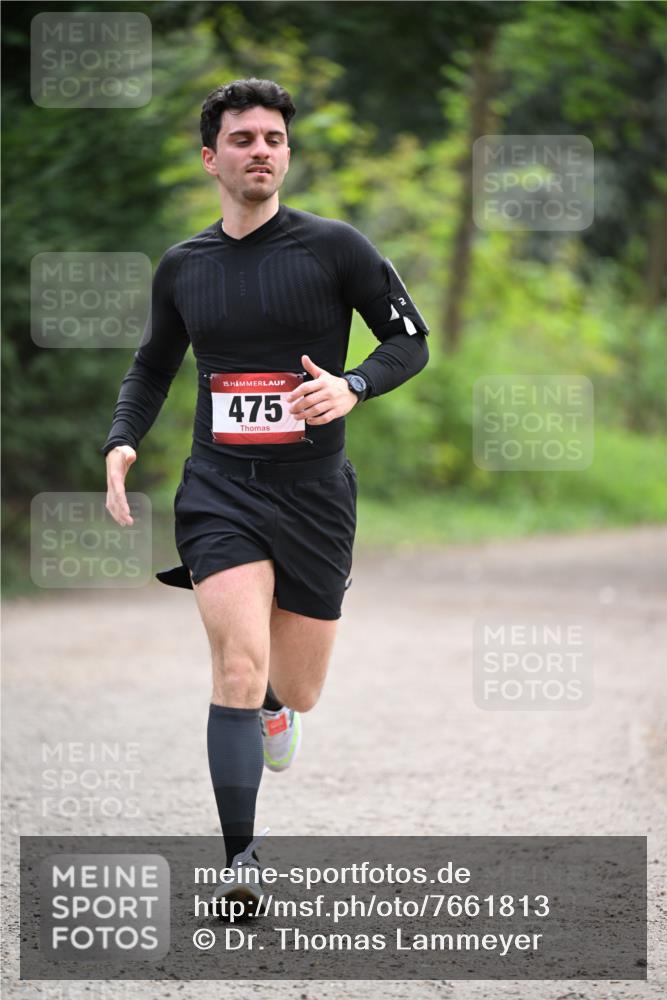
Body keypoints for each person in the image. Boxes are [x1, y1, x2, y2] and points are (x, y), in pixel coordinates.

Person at [103, 78, 429, 911]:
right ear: (211, 157)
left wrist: (353, 385)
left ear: (286, 154)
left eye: (274, 139)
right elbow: (152, 364)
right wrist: (122, 438)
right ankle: (240, 860)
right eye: (244, 138)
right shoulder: (184, 266)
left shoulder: (335, 248)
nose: (261, 150)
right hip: (219, 487)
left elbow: (409, 341)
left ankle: (280, 708)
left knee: (295, 684)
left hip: (315, 491)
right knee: (237, 664)